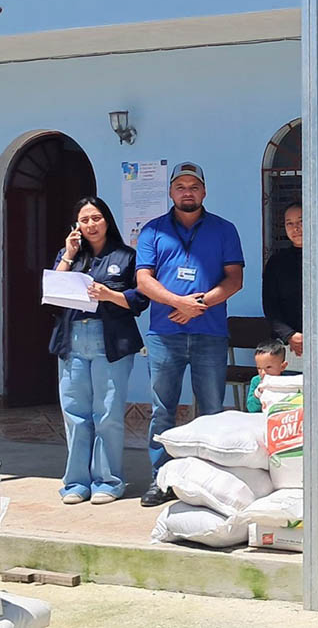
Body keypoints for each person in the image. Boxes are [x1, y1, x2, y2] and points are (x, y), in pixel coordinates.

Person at [136, 161, 245, 506]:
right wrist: (177, 302)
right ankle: (161, 479)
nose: (187, 192)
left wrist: (199, 304)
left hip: (209, 333)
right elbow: (143, 280)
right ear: (171, 191)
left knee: (211, 409)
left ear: (204, 191)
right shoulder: (152, 231)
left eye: (194, 187)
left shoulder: (224, 229)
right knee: (162, 410)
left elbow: (234, 279)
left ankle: (210, 481)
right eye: (181, 187)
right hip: (164, 334)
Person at [49, 197, 148, 505]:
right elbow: (54, 295)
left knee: (107, 413)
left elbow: (139, 300)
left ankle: (108, 481)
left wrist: (109, 295)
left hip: (111, 340)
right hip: (72, 339)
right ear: (76, 225)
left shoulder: (126, 256)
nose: (91, 225)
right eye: (84, 220)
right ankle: (76, 483)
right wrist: (68, 254)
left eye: (96, 218)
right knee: (75, 413)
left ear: (107, 220)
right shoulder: (68, 255)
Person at [261, 202, 318, 376]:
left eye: (301, 221)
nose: (296, 228)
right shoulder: (276, 262)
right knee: (287, 393)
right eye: (289, 223)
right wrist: (290, 335)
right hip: (285, 345)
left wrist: (310, 335)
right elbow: (270, 305)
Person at [245, 339, 288, 413]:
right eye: (259, 368)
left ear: (283, 366)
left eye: (268, 367)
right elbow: (251, 408)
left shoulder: (288, 381)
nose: (263, 373)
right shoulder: (256, 381)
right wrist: (258, 394)